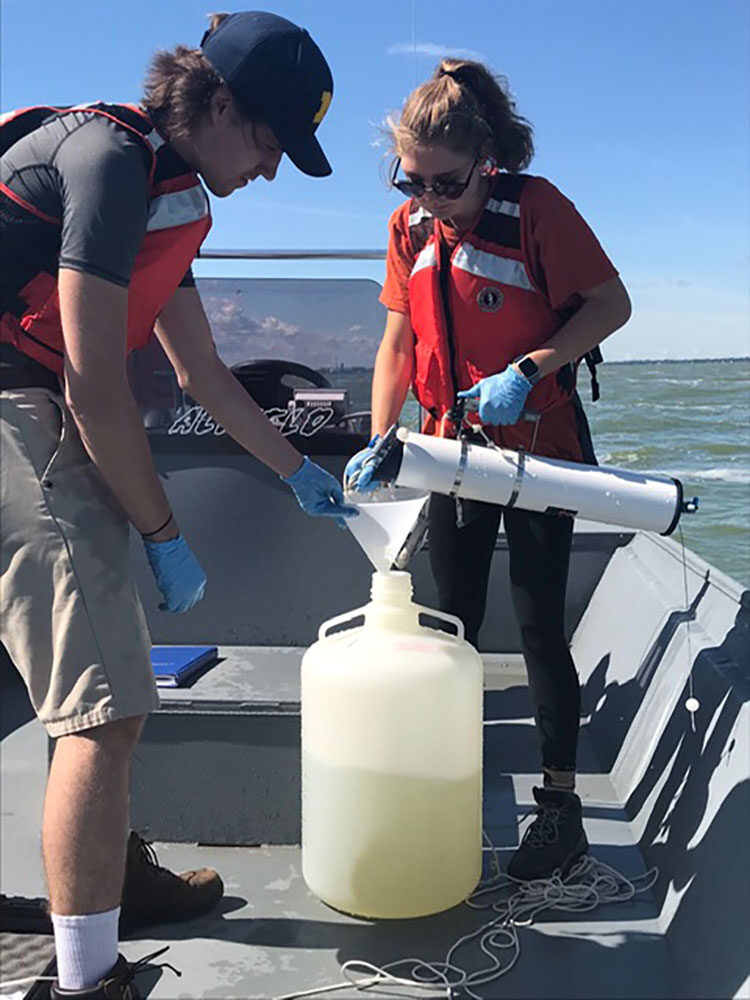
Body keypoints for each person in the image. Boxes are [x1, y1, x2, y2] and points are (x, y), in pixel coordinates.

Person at [0, 11, 354, 999]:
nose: (274, 169)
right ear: (220, 102)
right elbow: (91, 387)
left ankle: (114, 874)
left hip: (29, 398)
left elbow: (201, 375)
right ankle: (85, 979)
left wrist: (293, 468)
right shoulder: (111, 161)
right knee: (104, 709)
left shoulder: (165, 192)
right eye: (272, 141)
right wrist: (162, 530)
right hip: (12, 406)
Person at [346, 60, 631, 881]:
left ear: (487, 161)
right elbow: (398, 342)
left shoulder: (537, 210)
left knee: (539, 624)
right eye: (412, 180)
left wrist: (529, 370)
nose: (428, 196)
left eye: (446, 182)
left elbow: (612, 305)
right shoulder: (409, 229)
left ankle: (561, 808)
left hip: (539, 448)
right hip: (448, 451)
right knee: (448, 626)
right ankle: (442, 786)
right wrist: (383, 439)